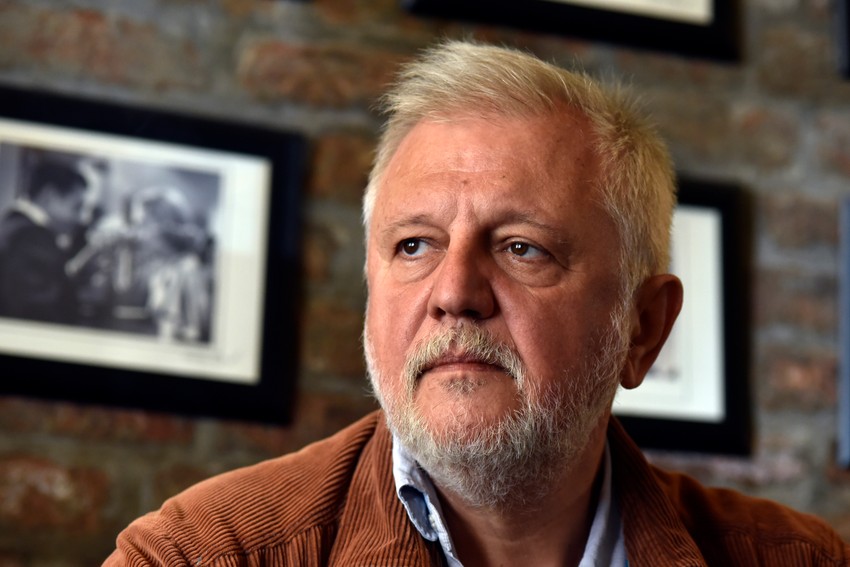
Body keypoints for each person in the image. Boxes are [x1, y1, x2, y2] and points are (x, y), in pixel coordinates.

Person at [104, 40, 850, 566]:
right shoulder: (200, 555)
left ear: (643, 328)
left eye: (522, 248)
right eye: (414, 245)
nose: (454, 293)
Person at [0, 158, 90, 325]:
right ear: (49, 196)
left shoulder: (11, 224)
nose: (81, 218)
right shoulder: (31, 237)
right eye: (76, 207)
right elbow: (41, 312)